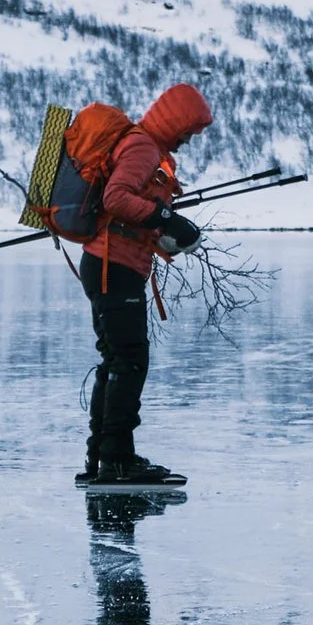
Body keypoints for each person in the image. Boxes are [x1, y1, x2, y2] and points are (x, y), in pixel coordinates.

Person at [70, 86, 212, 489]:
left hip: (111, 264)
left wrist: (162, 224)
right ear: (176, 121)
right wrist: (166, 218)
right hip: (111, 267)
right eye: (189, 131)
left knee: (117, 359)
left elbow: (133, 207)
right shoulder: (143, 148)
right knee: (129, 361)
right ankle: (116, 460)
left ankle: (103, 456)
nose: (188, 140)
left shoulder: (146, 148)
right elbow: (116, 198)